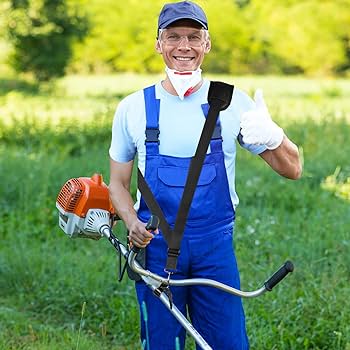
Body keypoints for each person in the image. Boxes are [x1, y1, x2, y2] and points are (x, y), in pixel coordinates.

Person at [108, 1, 302, 349]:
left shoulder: (233, 103)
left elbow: (293, 169)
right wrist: (130, 220)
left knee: (227, 344)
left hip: (215, 250)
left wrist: (275, 136)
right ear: (158, 43)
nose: (184, 46)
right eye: (174, 37)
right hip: (155, 250)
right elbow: (118, 184)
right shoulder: (133, 108)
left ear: (207, 44)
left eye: (194, 37)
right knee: (162, 344)